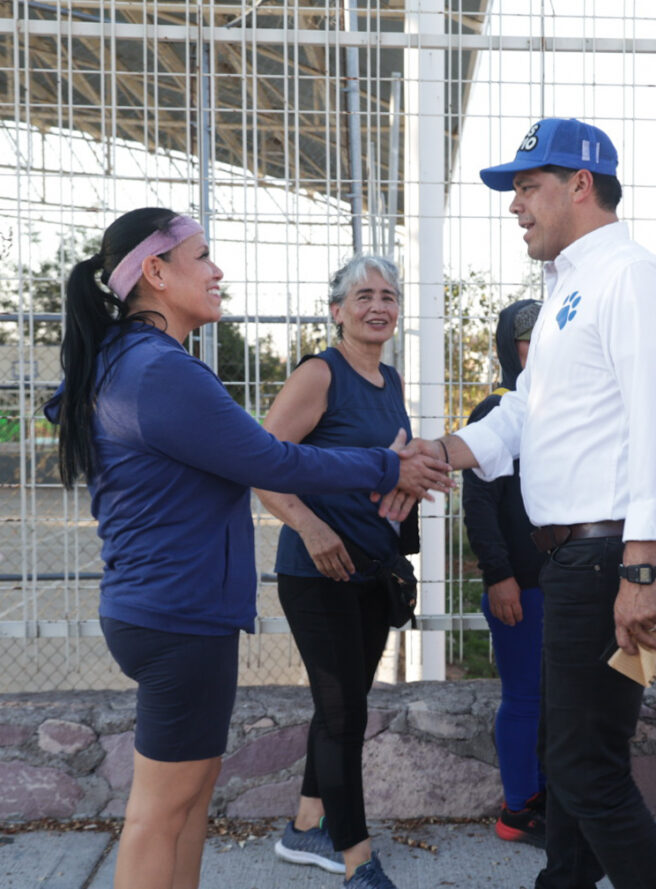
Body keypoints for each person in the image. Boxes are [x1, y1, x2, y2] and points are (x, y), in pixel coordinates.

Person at [46, 208, 450, 889]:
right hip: (177, 615)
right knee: (158, 811)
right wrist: (386, 468)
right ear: (155, 272)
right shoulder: (158, 370)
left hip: (172, 610)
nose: (217, 270)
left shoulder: (132, 360)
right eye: (202, 256)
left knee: (190, 796)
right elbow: (273, 459)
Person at [405, 117, 656, 889]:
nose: (515, 205)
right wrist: (442, 452)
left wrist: (641, 571)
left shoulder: (633, 278)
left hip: (616, 560)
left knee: (580, 763)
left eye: (528, 187)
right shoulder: (571, 286)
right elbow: (520, 414)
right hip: (592, 557)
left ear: (581, 186)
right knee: (584, 757)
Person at [256, 255, 420, 889]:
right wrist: (310, 525)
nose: (377, 306)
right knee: (343, 713)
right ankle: (357, 859)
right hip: (316, 570)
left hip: (372, 570)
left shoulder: (392, 380)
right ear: (337, 310)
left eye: (388, 296)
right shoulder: (319, 374)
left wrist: (410, 485)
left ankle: (305, 826)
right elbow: (263, 461)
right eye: (363, 296)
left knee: (343, 706)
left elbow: (390, 463)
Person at [462, 298, 548, 848]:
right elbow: (479, 503)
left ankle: (549, 799)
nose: (539, 345)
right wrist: (499, 575)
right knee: (523, 696)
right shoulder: (497, 410)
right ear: (507, 346)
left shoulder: (571, 408)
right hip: (521, 584)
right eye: (527, 336)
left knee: (560, 699)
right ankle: (519, 809)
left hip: (569, 582)